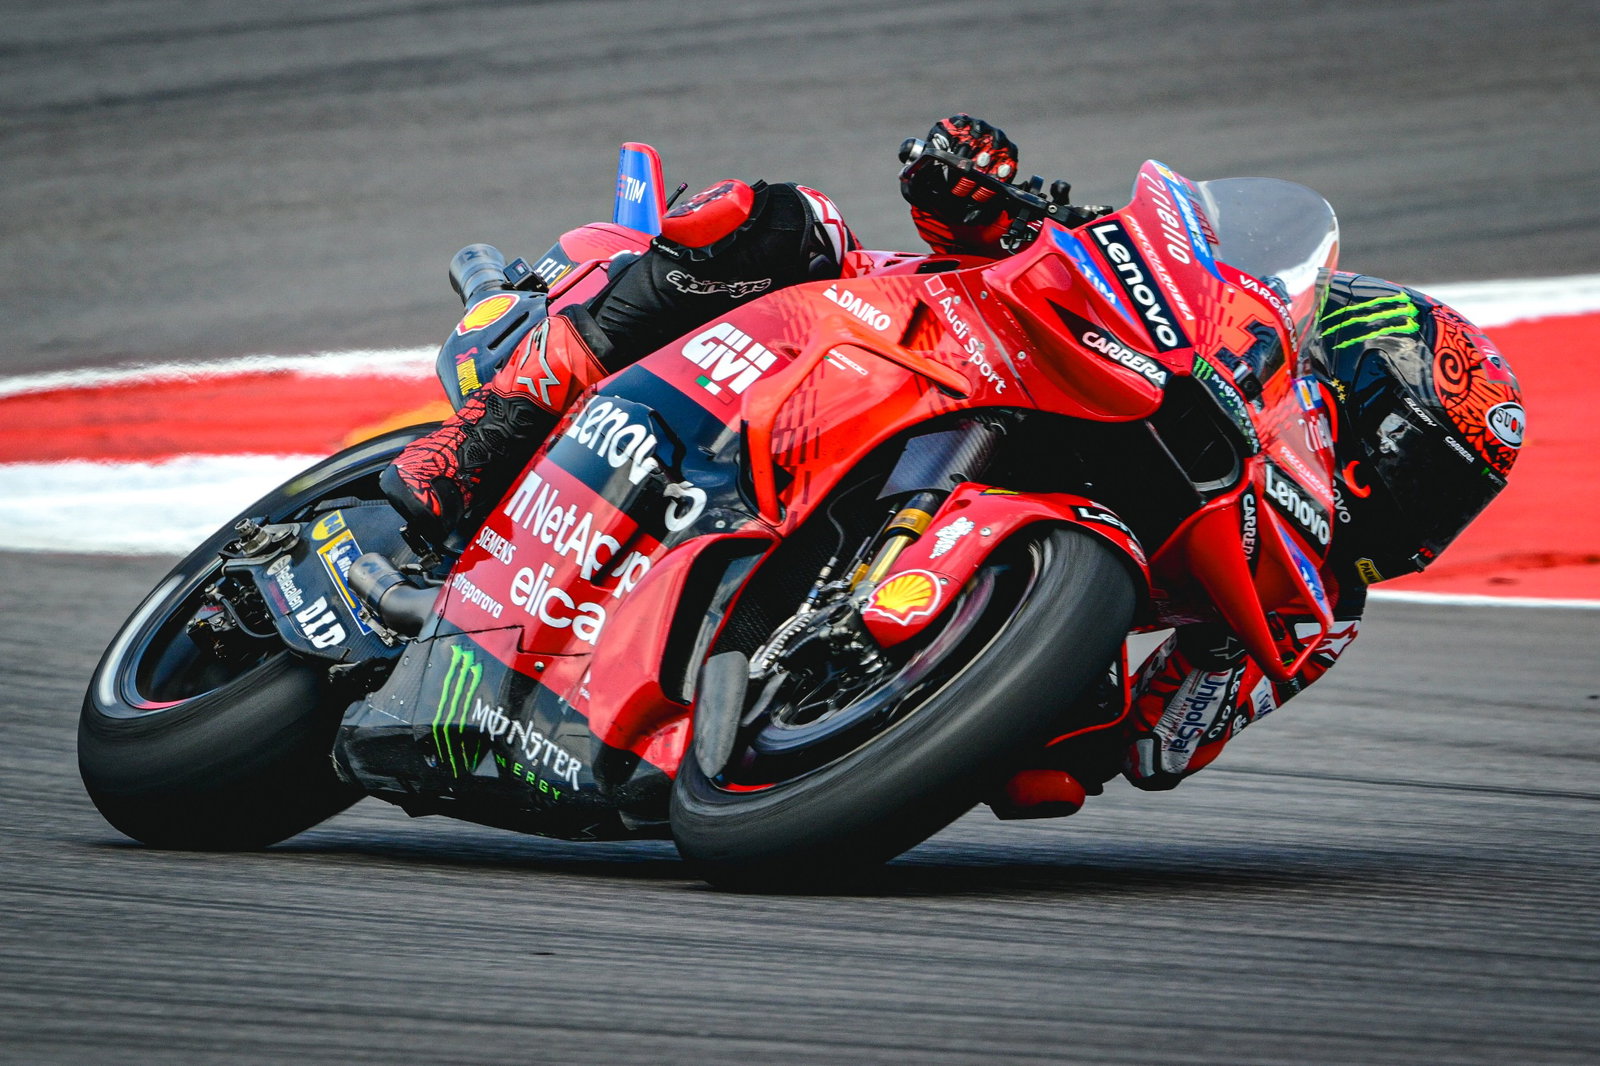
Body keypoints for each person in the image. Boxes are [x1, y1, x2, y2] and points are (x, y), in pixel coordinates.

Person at [381, 116, 1524, 817]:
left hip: (997, 581)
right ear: (1350, 386)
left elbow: (1159, 747)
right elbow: (1003, 242)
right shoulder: (1219, 341)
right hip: (880, 335)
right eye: (1421, 470)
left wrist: (1044, 706)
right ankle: (466, 455)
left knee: (1045, 770)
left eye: (1448, 499)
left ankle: (801, 694)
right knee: (760, 223)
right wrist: (972, 183)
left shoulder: (1308, 610)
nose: (1423, 515)